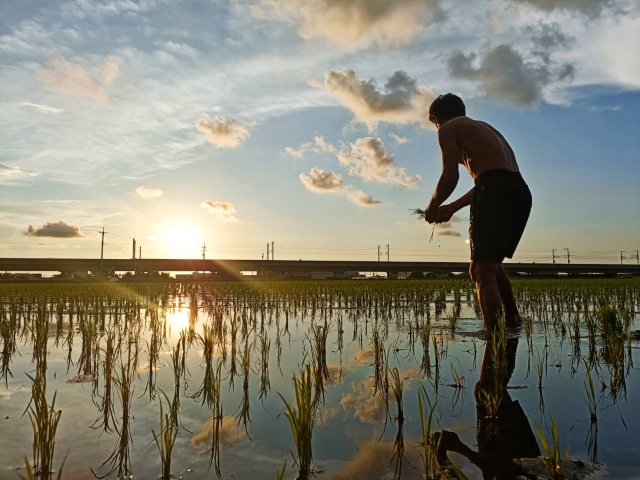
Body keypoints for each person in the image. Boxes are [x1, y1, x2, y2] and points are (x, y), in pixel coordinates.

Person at [424, 94, 532, 329]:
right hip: (519, 191)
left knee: (480, 270)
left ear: (435, 118)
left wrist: (431, 209)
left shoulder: (448, 129)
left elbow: (450, 177)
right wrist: (451, 207)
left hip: (495, 191)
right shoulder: (485, 129)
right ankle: (513, 322)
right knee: (492, 264)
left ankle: (494, 336)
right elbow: (490, 181)